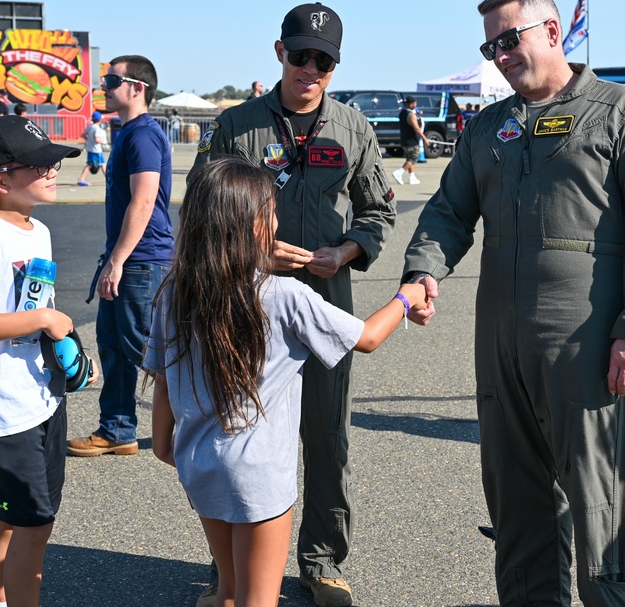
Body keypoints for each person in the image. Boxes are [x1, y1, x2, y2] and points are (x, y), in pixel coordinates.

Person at [402, 0, 625, 607]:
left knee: (598, 497)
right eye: (489, 45)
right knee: (515, 494)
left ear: (553, 32)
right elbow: (449, 211)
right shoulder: (488, 129)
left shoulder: (619, 114)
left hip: (583, 338)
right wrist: (423, 270)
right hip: (500, 340)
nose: (499, 55)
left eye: (509, 40)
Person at [146, 158, 425, 607]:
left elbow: (162, 376)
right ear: (255, 225)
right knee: (260, 599)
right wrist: (405, 298)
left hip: (198, 462)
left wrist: (165, 445)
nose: (278, 221)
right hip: (258, 475)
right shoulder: (284, 294)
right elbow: (367, 337)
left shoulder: (176, 289)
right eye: (271, 212)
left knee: (230, 591)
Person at [190, 2, 396, 607]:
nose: (311, 68)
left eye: (323, 60)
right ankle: (227, 573)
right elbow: (203, 212)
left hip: (325, 299)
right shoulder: (236, 125)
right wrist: (250, 259)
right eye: (301, 55)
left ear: (335, 66)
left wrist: (349, 250)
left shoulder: (353, 128)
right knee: (239, 435)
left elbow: (378, 212)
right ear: (280, 52)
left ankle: (322, 560)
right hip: (247, 302)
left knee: (327, 436)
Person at [0, 115, 86, 607]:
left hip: (41, 398)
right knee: (33, 525)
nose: (53, 170)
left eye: (53, 160)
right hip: (4, 411)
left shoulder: (38, 231)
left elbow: (27, 309)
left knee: (12, 518)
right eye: (40, 163)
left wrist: (56, 343)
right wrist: (44, 320)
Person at [68, 55, 174, 457]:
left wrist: (117, 261)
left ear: (137, 87)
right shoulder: (127, 132)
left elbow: (144, 201)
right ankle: (116, 430)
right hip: (128, 258)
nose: (105, 87)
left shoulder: (143, 134)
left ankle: (198, 424)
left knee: (148, 349)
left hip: (142, 260)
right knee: (113, 345)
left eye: (112, 80)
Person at [391, 96, 432, 185]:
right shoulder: (411, 115)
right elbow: (417, 129)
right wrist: (425, 139)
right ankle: (399, 172)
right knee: (414, 157)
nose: (416, 104)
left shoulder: (402, 113)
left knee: (409, 159)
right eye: (415, 103)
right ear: (411, 104)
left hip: (404, 140)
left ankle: (412, 177)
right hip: (411, 141)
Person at [76, 112, 108, 187]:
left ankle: (81, 179)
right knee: (103, 164)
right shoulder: (97, 128)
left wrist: (88, 140)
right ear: (100, 120)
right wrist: (103, 141)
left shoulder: (90, 127)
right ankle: (108, 179)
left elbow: (83, 134)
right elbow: (96, 139)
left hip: (90, 149)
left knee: (90, 164)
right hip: (97, 150)